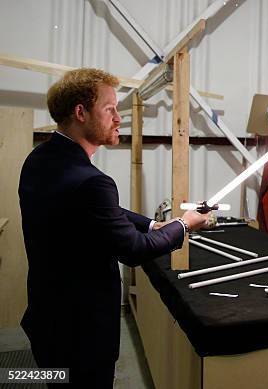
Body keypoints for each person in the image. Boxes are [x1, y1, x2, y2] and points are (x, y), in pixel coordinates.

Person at [18, 68, 211, 388]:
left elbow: (97, 211)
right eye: (109, 109)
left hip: (47, 321)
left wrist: (153, 223)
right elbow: (134, 250)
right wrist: (183, 224)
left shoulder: (40, 159)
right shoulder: (93, 182)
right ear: (80, 112)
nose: (119, 118)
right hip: (82, 336)